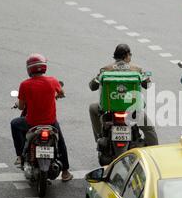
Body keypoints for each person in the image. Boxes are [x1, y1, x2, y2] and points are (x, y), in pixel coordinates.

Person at [11, 53, 73, 182]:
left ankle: (20, 157)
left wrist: (18, 104)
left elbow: (22, 107)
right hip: (50, 123)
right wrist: (58, 95)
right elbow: (62, 93)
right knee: (60, 142)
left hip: (31, 123)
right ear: (44, 67)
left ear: (29, 69)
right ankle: (66, 172)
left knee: (15, 124)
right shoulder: (53, 81)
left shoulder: (25, 85)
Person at [88, 44, 158, 145]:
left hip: (110, 109)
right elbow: (147, 85)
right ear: (126, 55)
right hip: (132, 110)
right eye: (130, 54)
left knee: (92, 108)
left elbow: (92, 86)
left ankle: (100, 137)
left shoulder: (106, 69)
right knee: (149, 130)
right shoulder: (136, 69)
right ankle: (154, 152)